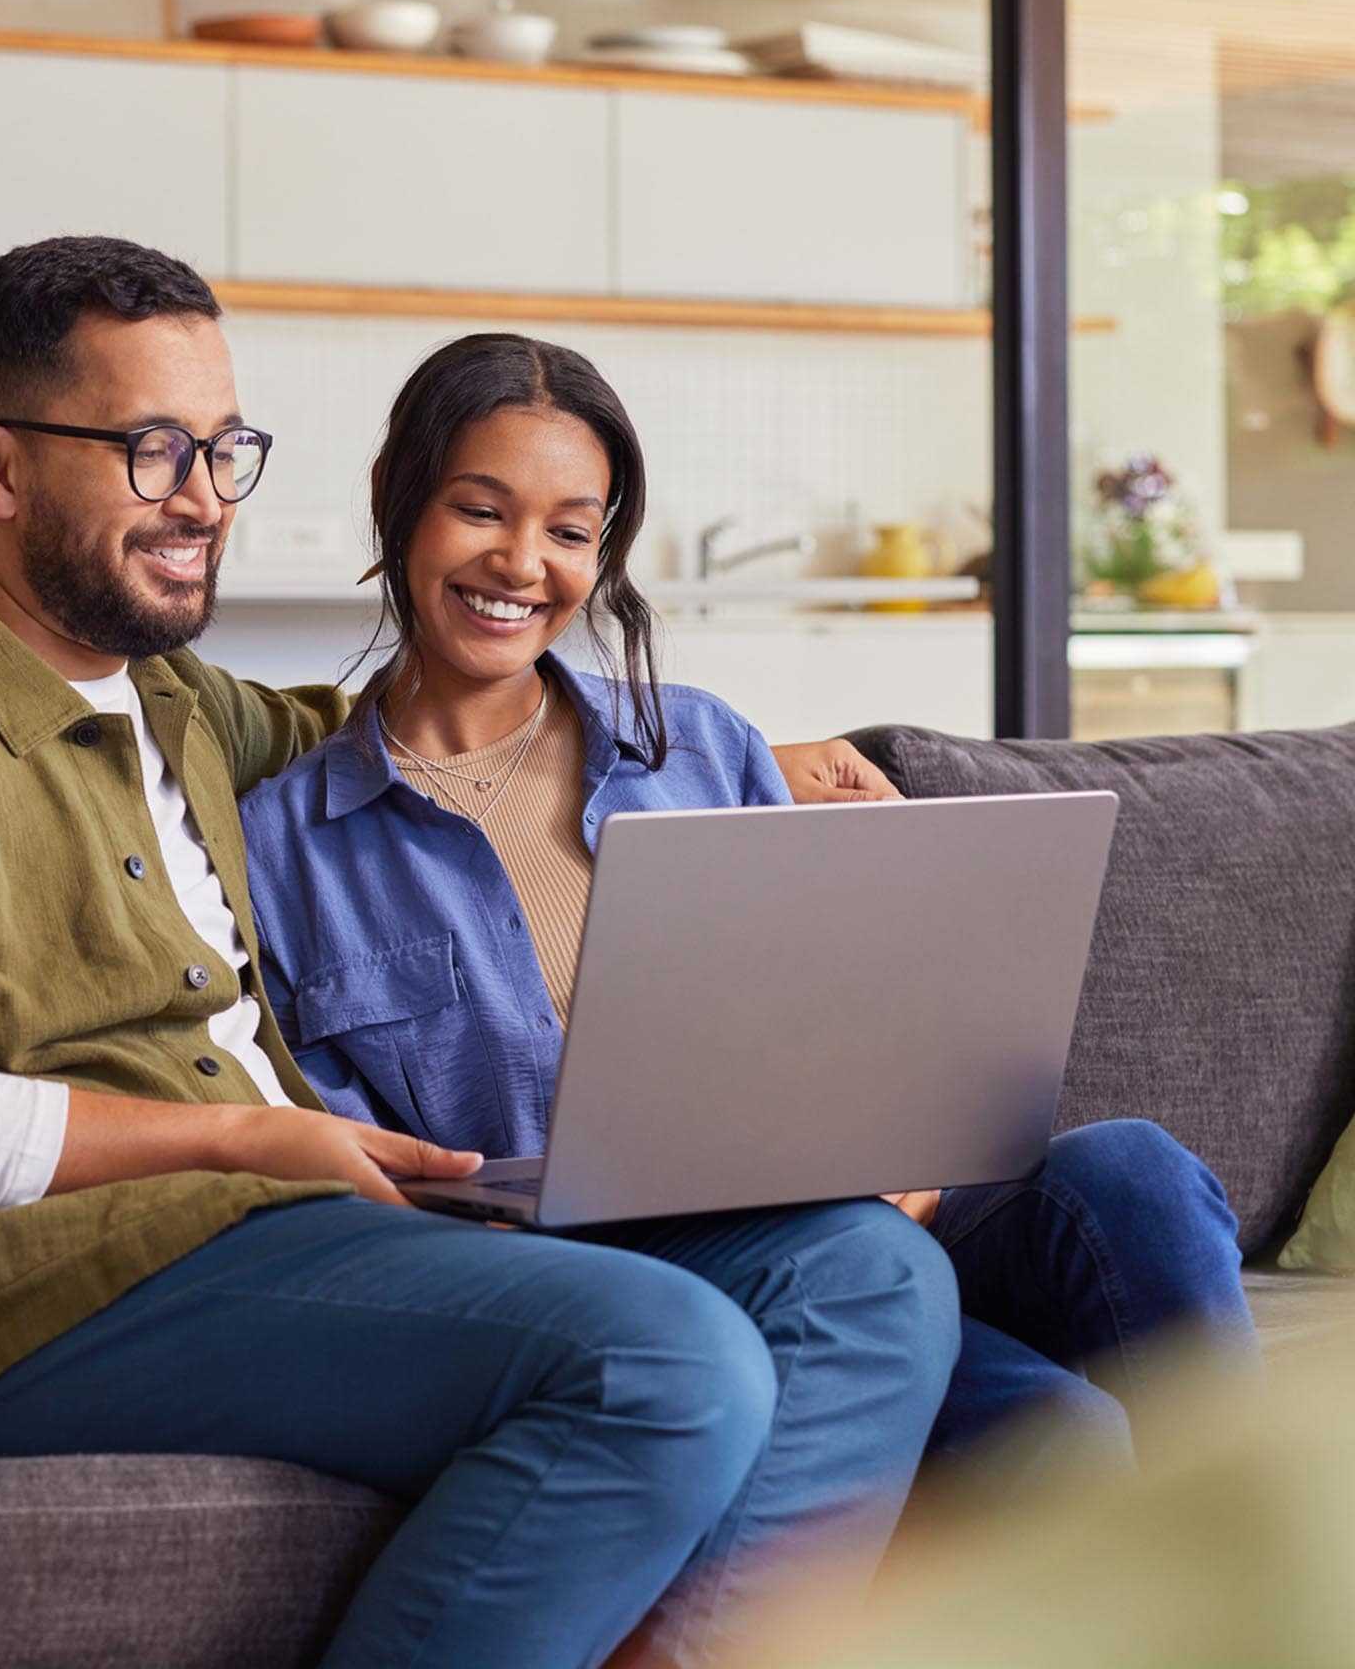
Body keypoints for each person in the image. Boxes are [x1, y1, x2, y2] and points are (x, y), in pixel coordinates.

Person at [0, 237, 954, 1669]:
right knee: (662, 1355)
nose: (205, 501)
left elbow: (421, 736)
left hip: (294, 1229)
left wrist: (736, 768)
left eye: (227, 451)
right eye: (155, 451)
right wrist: (235, 1139)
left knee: (867, 1274)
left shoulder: (180, 711)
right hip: (27, 1295)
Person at [237, 330, 1262, 1660]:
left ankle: (1275, 1570)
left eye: (569, 529)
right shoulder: (285, 843)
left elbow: (848, 1010)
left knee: (1134, 1172)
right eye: (480, 510)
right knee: (1057, 1441)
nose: (520, 564)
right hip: (648, 1281)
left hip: (864, 1209)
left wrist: (903, 1129)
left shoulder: (702, 744)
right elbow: (363, 1182)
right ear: (401, 499)